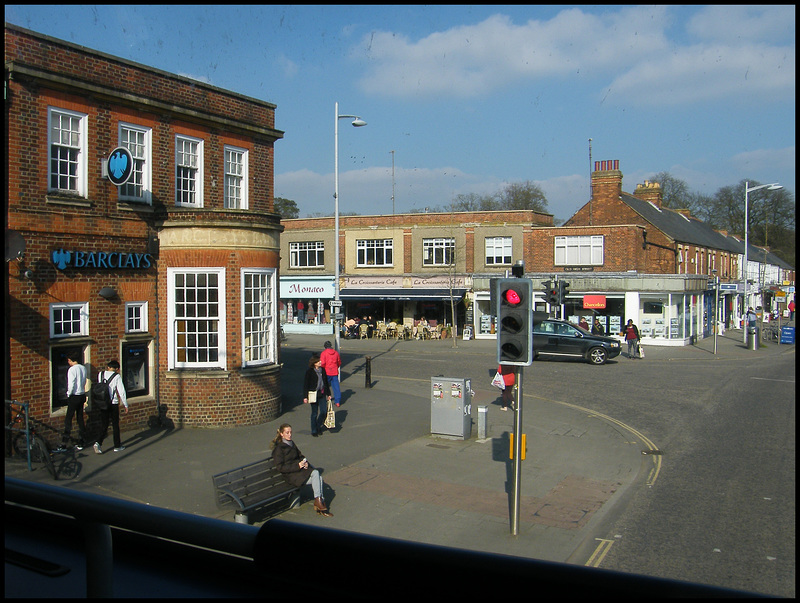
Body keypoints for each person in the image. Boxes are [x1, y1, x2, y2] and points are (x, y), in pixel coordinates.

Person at [271, 423, 332, 516]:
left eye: (291, 432)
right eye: (287, 433)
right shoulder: (279, 449)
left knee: (316, 475)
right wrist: (298, 466)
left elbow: (300, 455)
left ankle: (319, 501)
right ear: (281, 434)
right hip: (291, 476)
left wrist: (305, 462)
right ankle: (320, 503)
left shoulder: (292, 443)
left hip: (299, 473)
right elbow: (280, 467)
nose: (290, 435)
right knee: (317, 476)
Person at [93, 359, 129, 453]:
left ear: (108, 367)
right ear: (117, 369)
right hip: (113, 403)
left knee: (104, 424)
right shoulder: (117, 376)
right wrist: (125, 404)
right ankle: (117, 445)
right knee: (115, 425)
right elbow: (121, 391)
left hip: (103, 403)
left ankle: (98, 442)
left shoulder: (100, 374)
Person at [60, 352, 88, 450]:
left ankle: (64, 443)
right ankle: (82, 441)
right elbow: (84, 381)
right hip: (82, 395)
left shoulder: (71, 369)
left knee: (68, 420)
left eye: (68, 360)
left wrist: (68, 394)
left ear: (70, 360)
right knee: (80, 418)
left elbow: (71, 384)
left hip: (74, 396)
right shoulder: (83, 368)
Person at [303, 355, 331, 436]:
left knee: (323, 411)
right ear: (314, 363)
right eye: (318, 361)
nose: (320, 362)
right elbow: (306, 384)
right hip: (313, 394)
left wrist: (328, 394)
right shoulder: (309, 372)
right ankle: (314, 430)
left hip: (322, 393)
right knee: (314, 413)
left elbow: (325, 382)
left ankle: (318, 425)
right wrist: (305, 397)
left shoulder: (323, 370)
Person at [320, 340, 342, 407]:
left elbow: (322, 363)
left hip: (327, 371)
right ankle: (337, 401)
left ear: (325, 347)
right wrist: (336, 367)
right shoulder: (336, 353)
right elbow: (339, 362)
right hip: (334, 371)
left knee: (323, 385)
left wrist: (322, 369)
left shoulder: (324, 353)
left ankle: (323, 398)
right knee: (336, 387)